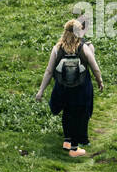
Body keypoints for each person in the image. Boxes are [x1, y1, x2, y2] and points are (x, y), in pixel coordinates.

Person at [35, 18, 103, 157]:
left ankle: (67, 141)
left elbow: (49, 71)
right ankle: (76, 147)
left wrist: (41, 90)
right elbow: (94, 67)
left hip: (63, 87)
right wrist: (99, 81)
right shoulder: (83, 47)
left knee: (67, 112)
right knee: (79, 113)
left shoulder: (57, 48)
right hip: (81, 87)